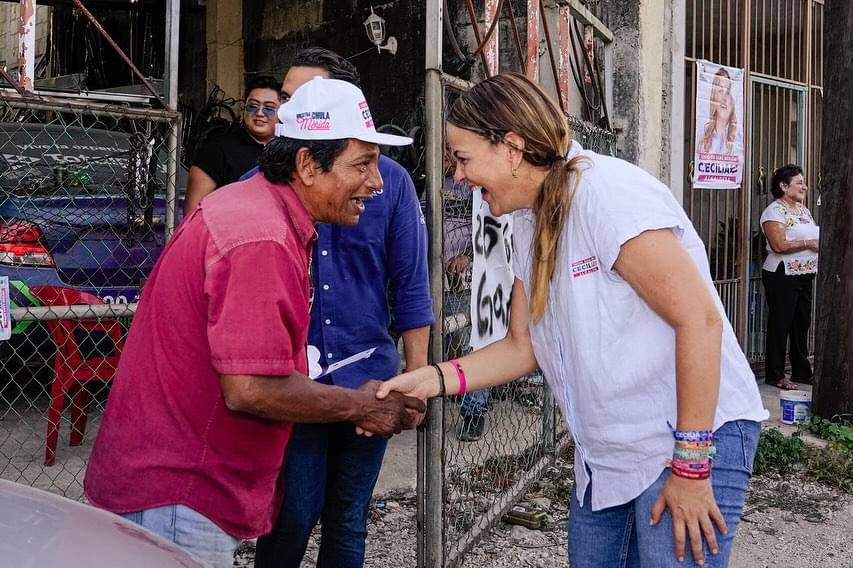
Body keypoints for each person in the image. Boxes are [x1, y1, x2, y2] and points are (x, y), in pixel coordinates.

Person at [373, 73, 768, 567]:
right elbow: (522, 346)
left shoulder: (606, 195)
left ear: (512, 148)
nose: (457, 176)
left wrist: (691, 465)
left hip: (686, 438)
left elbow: (700, 320)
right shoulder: (527, 219)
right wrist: (430, 379)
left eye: (463, 158)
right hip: (608, 454)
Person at [83, 77, 424, 568]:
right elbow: (250, 388)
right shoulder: (262, 237)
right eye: (362, 164)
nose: (377, 181)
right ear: (308, 165)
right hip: (181, 493)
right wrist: (359, 406)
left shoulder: (258, 211)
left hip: (175, 486)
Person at [252, 48, 433, 568]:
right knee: (291, 514)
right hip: (295, 384)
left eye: (303, 97)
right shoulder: (261, 191)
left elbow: (411, 287)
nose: (286, 109)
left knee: (349, 519)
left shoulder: (388, 184)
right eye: (286, 97)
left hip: (368, 377)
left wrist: (416, 380)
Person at [759, 165, 819, 390]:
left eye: (804, 182)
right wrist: (808, 243)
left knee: (801, 324)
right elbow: (779, 245)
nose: (805, 186)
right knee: (780, 323)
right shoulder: (774, 212)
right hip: (782, 273)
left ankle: (801, 371)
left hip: (804, 273)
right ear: (784, 186)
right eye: (799, 182)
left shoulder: (803, 210)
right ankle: (775, 374)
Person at [184, 75, 281, 214]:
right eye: (253, 106)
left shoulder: (288, 151)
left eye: (269, 108)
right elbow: (192, 212)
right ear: (244, 108)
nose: (259, 113)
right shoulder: (217, 147)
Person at [698, 68, 740, 155]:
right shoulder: (703, 137)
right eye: (720, 91)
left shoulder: (737, 138)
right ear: (714, 96)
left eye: (727, 92)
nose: (724, 98)